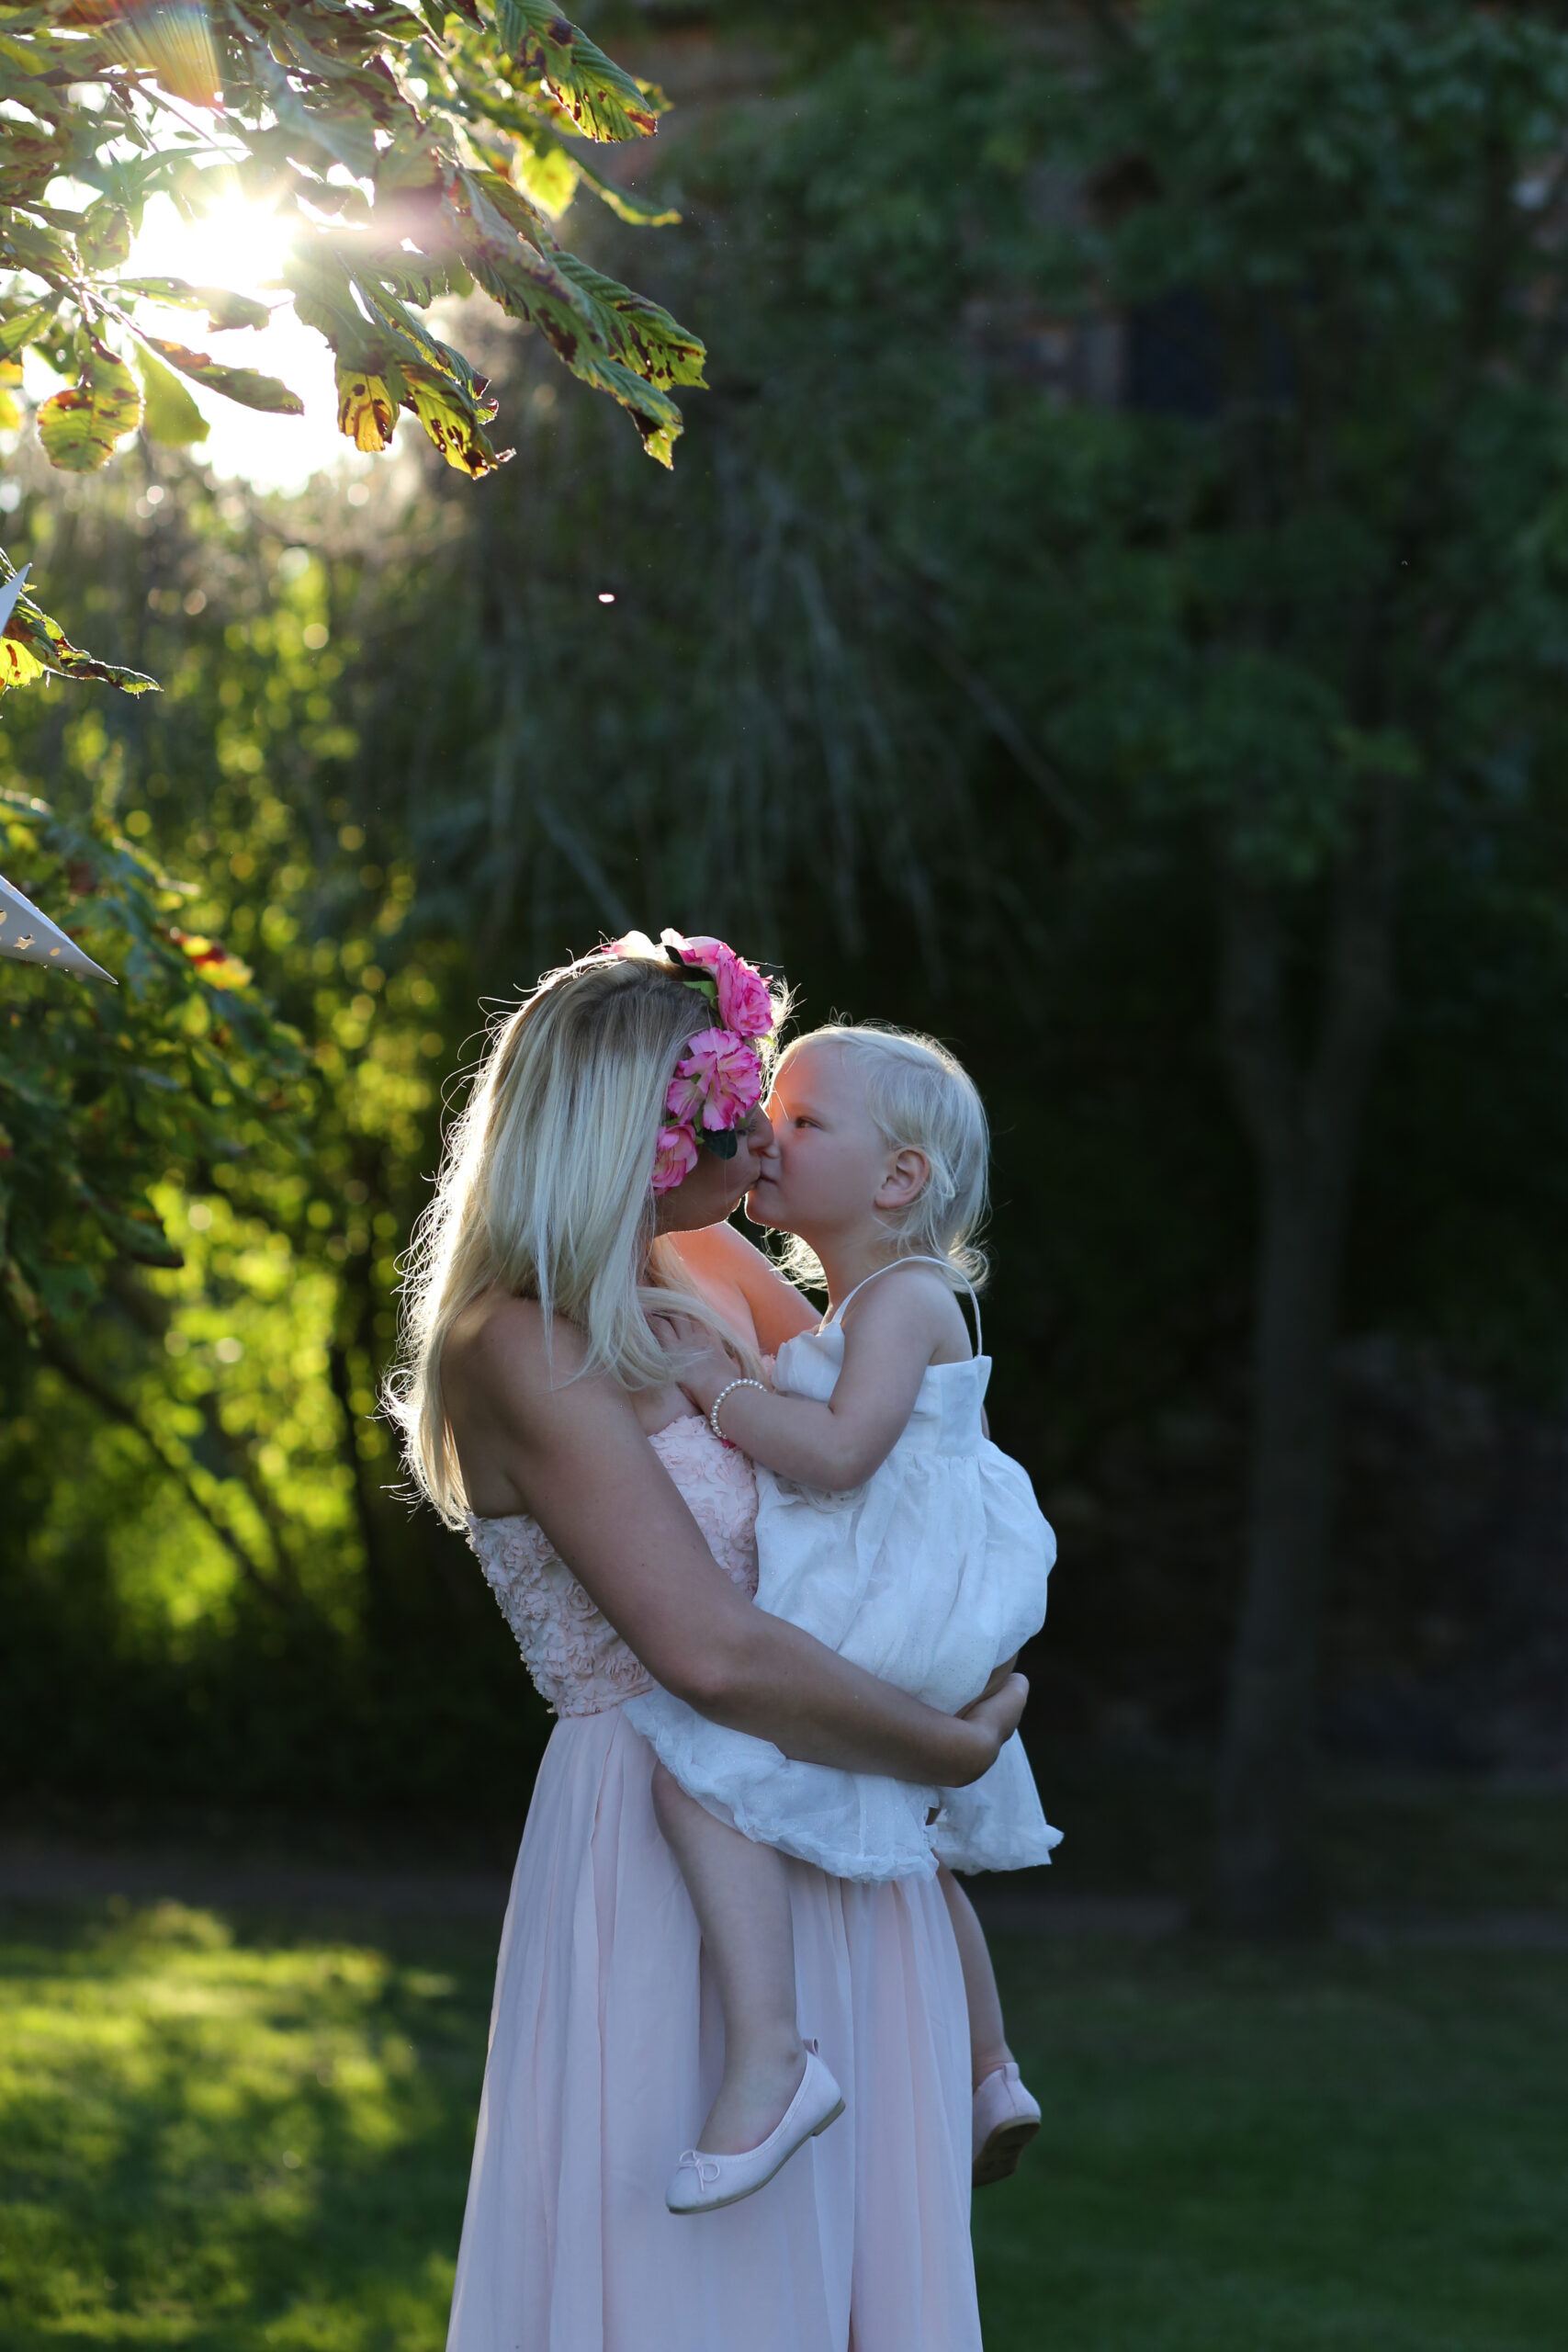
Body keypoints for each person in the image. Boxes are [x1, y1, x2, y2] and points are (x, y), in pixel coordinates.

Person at [385, 931, 1027, 2352]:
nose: (758, 1140)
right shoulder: (520, 1343)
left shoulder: (698, 1272)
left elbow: (897, 1455)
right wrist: (948, 1745)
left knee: (863, 2286)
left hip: (843, 1841)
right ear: (634, 1130)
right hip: (664, 1843)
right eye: (730, 1112)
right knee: (704, 2300)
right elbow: (711, 1653)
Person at [628, 1023, 1056, 2215]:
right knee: (915, 1834)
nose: (766, 1131)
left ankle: (772, 2057)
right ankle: (988, 2068)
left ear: (899, 1179)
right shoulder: (866, 1305)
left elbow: (838, 1458)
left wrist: (718, 1391)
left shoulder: (910, 1302)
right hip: (921, 1606)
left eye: (804, 1121)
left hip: (900, 1610)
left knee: (696, 1775)